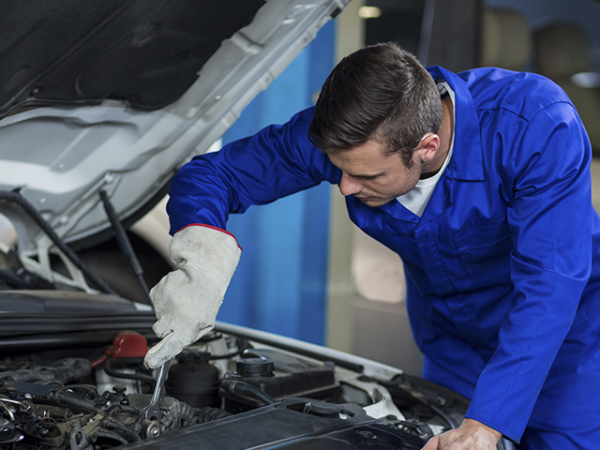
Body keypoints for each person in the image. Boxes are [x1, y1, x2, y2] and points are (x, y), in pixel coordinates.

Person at [143, 43, 600, 449]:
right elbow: (212, 174)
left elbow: (550, 285)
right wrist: (201, 259)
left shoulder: (535, 126)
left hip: (568, 348)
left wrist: (487, 421)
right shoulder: (351, 140)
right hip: (453, 346)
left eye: (367, 176)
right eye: (340, 169)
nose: (344, 187)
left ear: (427, 146)